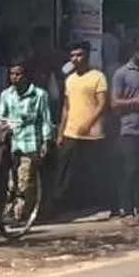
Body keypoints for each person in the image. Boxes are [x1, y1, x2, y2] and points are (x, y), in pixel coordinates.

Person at [0, 61, 54, 224]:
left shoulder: (40, 95)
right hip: (11, 144)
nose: (14, 77)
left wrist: (46, 141)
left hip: (31, 143)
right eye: (12, 74)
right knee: (11, 182)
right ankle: (10, 208)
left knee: (24, 178)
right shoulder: (6, 95)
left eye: (18, 74)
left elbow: (46, 120)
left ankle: (20, 213)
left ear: (26, 76)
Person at [55, 41, 111, 215]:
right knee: (66, 171)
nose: (75, 59)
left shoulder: (98, 77)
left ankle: (94, 205)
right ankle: (64, 206)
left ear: (87, 55)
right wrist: (60, 132)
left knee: (91, 172)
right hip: (71, 132)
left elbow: (102, 104)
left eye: (79, 55)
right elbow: (66, 107)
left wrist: (89, 123)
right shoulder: (70, 79)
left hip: (93, 134)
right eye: (72, 56)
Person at [110, 36, 139, 221]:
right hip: (129, 128)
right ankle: (126, 208)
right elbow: (115, 103)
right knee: (131, 169)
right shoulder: (122, 73)